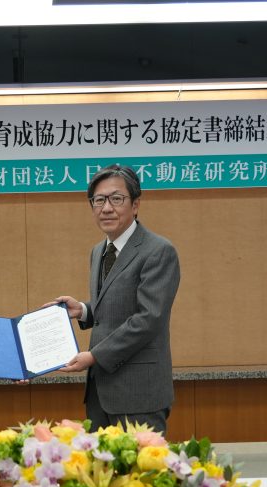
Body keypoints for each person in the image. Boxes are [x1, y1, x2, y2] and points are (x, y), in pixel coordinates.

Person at [54, 164, 181, 434]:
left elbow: (148, 319)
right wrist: (83, 311)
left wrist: (94, 356)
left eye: (116, 198)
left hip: (139, 393)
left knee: (140, 463)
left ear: (135, 205)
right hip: (100, 392)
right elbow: (115, 307)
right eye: (99, 200)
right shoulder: (98, 250)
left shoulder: (158, 251)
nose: (106, 208)